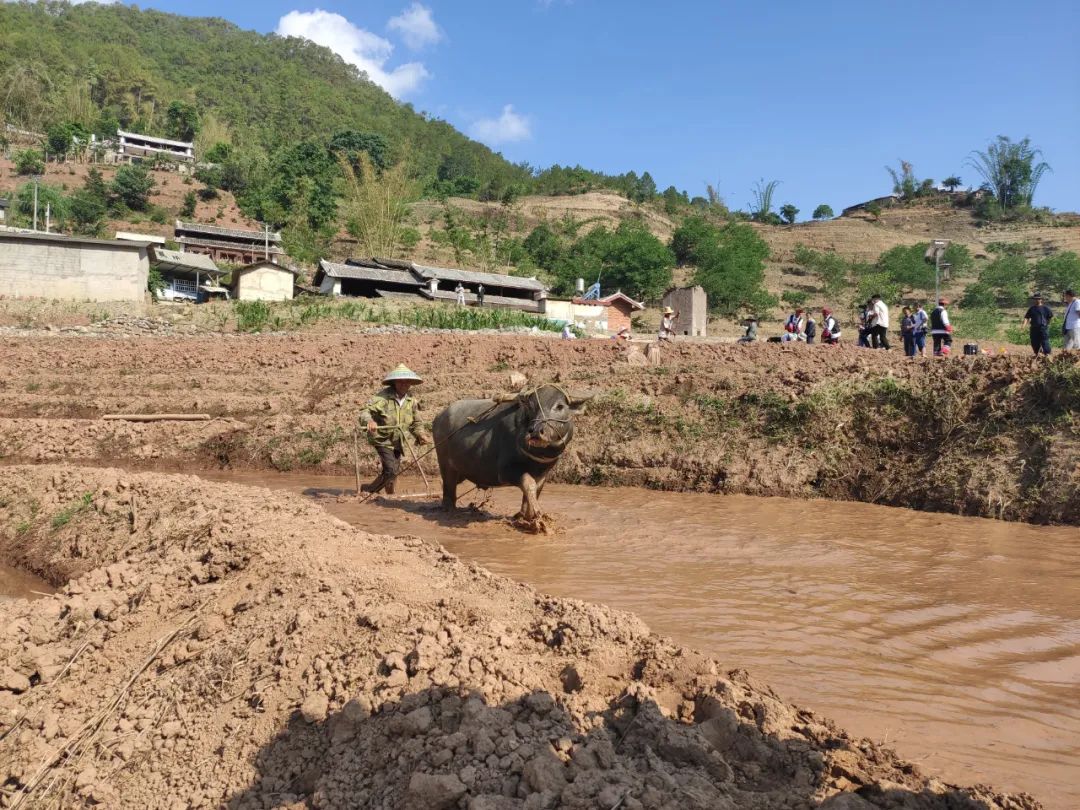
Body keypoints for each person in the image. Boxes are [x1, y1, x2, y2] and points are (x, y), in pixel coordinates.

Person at [359, 364, 430, 495]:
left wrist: (420, 434)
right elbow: (365, 411)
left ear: (410, 383)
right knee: (391, 470)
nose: (404, 384)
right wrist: (370, 421)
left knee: (393, 471)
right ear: (394, 382)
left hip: (399, 441)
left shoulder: (411, 401)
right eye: (400, 381)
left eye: (407, 381)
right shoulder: (383, 398)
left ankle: (387, 494)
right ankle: (370, 491)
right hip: (382, 438)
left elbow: (416, 422)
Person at [1022, 292, 1054, 356]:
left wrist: (1047, 324)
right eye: (1036, 299)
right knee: (1034, 341)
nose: (1037, 300)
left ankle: (1048, 354)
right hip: (1034, 328)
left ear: (1041, 299)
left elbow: (1050, 317)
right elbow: (1026, 317)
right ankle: (1038, 353)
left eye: (1038, 299)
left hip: (1043, 328)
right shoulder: (1032, 309)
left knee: (1044, 341)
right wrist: (1023, 326)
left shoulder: (1045, 308)